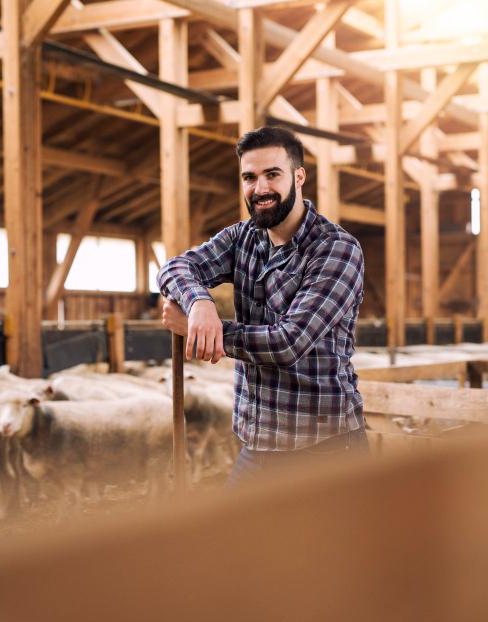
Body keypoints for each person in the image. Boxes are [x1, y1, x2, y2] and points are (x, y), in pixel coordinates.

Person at [156, 126, 368, 486]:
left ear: (299, 176)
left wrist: (215, 333)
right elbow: (176, 266)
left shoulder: (337, 249)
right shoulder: (243, 237)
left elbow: (289, 342)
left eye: (273, 174)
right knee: (229, 541)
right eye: (249, 177)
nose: (260, 188)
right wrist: (199, 304)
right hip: (259, 442)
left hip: (323, 447)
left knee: (316, 545)